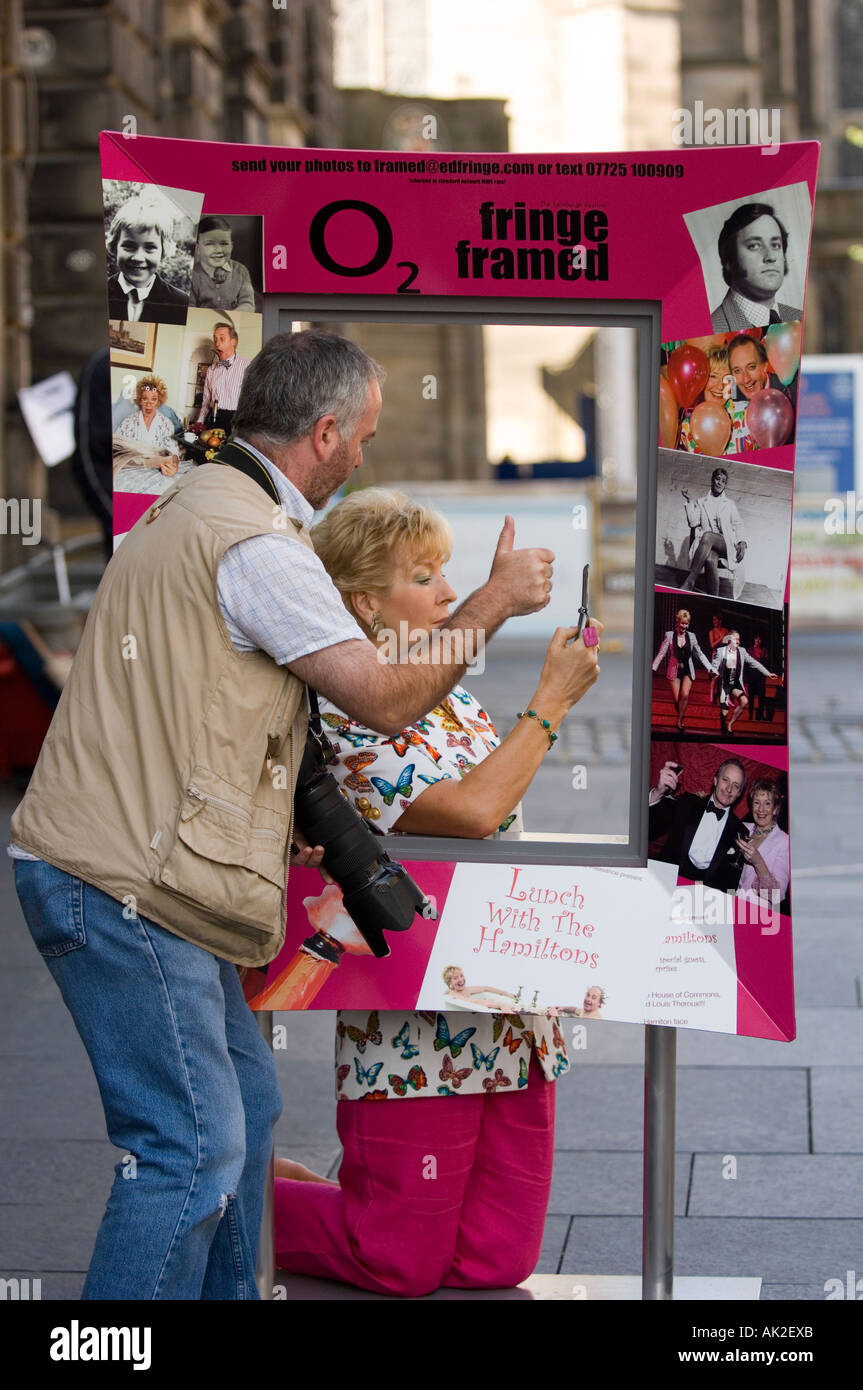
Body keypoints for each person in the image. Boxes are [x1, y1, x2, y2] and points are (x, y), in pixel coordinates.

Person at [8, 330, 557, 1301]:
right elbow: (384, 698)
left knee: (248, 1109)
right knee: (186, 1147)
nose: (364, 457)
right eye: (366, 438)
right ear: (326, 429)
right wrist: (493, 601)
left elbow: (193, 705)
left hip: (133, 868)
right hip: (123, 879)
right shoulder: (258, 542)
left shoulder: (195, 503)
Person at [272, 486, 601, 1297]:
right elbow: (474, 810)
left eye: (447, 572)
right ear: (363, 604)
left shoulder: (445, 694)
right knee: (397, 1261)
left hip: (510, 1000)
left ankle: (334, 1192)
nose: (449, 592)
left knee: (497, 1259)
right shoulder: (343, 715)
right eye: (425, 576)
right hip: (413, 1013)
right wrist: (551, 700)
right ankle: (240, 1193)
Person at [648, 756, 748, 891]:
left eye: (736, 786)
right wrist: (658, 792)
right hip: (666, 885)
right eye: (725, 780)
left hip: (704, 900)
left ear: (739, 793)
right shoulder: (687, 803)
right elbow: (650, 829)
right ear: (715, 780)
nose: (729, 789)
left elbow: (730, 883)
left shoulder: (740, 832)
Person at [710, 202, 802, 332]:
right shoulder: (712, 329)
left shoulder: (800, 317)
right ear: (729, 260)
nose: (770, 257)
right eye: (754, 246)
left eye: (775, 245)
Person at [105, 190, 189, 325]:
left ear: (163, 251)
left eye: (149, 247)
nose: (138, 257)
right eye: (129, 246)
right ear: (115, 247)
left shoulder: (181, 304)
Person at [679, 467, 746, 597]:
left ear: (725, 485)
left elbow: (739, 524)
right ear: (712, 480)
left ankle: (690, 581)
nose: (720, 483)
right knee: (710, 559)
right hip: (708, 545)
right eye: (718, 479)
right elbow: (693, 523)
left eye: (723, 481)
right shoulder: (701, 502)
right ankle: (713, 598)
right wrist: (689, 501)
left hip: (725, 544)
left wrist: (742, 542)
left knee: (708, 536)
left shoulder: (730, 504)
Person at [652, 608, 713, 730]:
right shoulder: (669, 635)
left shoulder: (692, 636)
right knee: (677, 699)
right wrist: (653, 667)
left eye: (686, 623)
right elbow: (661, 653)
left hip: (687, 670)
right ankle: (681, 717)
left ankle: (679, 721)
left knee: (684, 695)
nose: (684, 626)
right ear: (677, 622)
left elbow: (699, 654)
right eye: (682, 623)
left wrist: (710, 668)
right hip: (674, 670)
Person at [711, 629, 777, 735]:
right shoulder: (721, 651)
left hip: (735, 683)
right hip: (725, 683)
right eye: (736, 639)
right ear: (729, 640)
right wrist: (713, 672)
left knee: (744, 701)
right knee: (725, 712)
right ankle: (723, 723)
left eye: (739, 639)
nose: (738, 641)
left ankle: (730, 724)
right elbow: (714, 666)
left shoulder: (741, 651)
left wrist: (768, 673)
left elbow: (754, 663)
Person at [113, 375, 180, 476]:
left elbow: (173, 452)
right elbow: (117, 449)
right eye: (145, 399)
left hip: (158, 470)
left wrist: (174, 466)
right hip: (132, 468)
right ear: (140, 400)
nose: (149, 404)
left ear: (158, 402)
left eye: (153, 399)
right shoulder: (128, 422)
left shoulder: (166, 423)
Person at [736, 778, 790, 903]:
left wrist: (758, 862)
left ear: (775, 809)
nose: (761, 809)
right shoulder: (742, 828)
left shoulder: (784, 842)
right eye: (756, 802)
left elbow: (777, 896)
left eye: (767, 803)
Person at [190, 216, 257, 312]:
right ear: (198, 249)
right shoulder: (192, 275)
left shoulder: (241, 271)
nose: (218, 250)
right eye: (210, 244)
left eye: (224, 243)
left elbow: (248, 304)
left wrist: (230, 317)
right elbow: (190, 309)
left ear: (231, 246)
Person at [677, 345, 732, 453]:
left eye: (727, 378)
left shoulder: (748, 413)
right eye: (713, 376)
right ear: (702, 380)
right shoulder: (686, 427)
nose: (720, 386)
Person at [195, 323, 250, 433]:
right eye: (215, 339)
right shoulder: (212, 369)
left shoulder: (247, 366)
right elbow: (205, 402)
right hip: (213, 419)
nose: (217, 343)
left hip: (237, 422)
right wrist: (199, 423)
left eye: (222, 339)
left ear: (233, 342)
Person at [442, 965, 518, 1010]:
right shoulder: (453, 995)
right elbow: (473, 1003)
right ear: (449, 983)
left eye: (461, 976)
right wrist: (499, 1004)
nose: (460, 979)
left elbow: (485, 988)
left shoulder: (466, 989)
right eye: (455, 978)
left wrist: (507, 994)